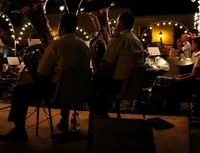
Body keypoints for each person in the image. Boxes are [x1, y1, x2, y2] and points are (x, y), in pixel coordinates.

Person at [0, 13, 90, 142]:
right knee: (64, 82)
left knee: (20, 91)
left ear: (61, 27)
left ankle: (19, 131)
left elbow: (42, 73)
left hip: (56, 91)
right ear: (75, 27)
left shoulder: (56, 46)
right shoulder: (84, 46)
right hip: (79, 91)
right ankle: (64, 121)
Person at [88, 12, 146, 116]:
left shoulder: (118, 40)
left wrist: (91, 75)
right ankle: (103, 111)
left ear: (121, 23)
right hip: (132, 86)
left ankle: (99, 118)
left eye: (117, 21)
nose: (116, 24)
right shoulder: (137, 41)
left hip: (118, 85)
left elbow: (105, 68)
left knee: (90, 85)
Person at [164, 36, 200, 114]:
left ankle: (171, 109)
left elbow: (193, 75)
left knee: (173, 85)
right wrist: (181, 76)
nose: (192, 46)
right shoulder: (195, 54)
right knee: (173, 82)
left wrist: (179, 79)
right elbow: (192, 73)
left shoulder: (199, 57)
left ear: (196, 45)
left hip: (196, 83)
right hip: (193, 79)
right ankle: (173, 107)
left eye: (193, 44)